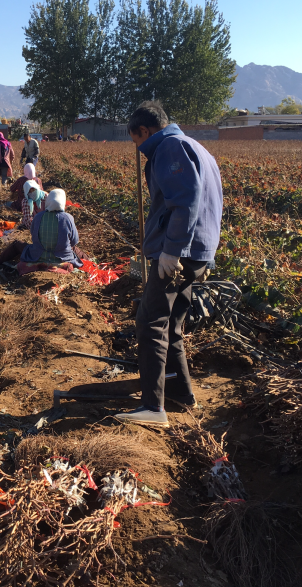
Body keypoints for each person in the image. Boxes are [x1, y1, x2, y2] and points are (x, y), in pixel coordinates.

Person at [114, 101, 223, 428]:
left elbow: (186, 202)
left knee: (149, 323)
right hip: (198, 253)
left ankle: (152, 406)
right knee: (172, 324)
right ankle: (180, 394)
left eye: (136, 140)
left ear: (144, 131)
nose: (139, 148)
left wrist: (171, 252)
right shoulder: (197, 147)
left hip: (179, 254)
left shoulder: (171, 148)